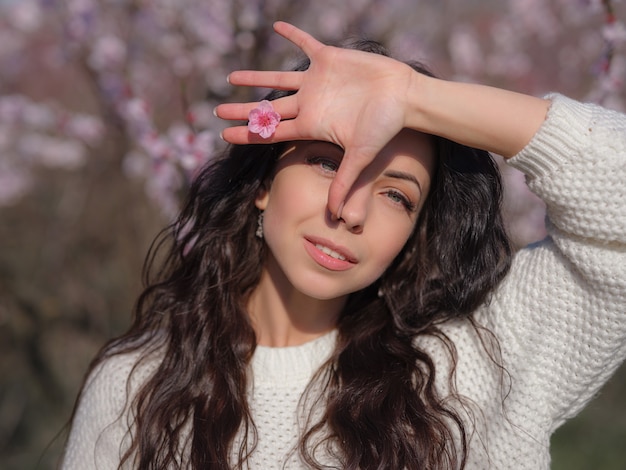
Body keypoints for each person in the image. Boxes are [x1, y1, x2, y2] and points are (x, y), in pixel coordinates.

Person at [62, 21, 626, 469]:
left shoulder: (474, 363)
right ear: (262, 184)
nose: (350, 210)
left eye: (397, 197)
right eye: (328, 163)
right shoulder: (138, 386)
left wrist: (414, 98)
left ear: (414, 234)